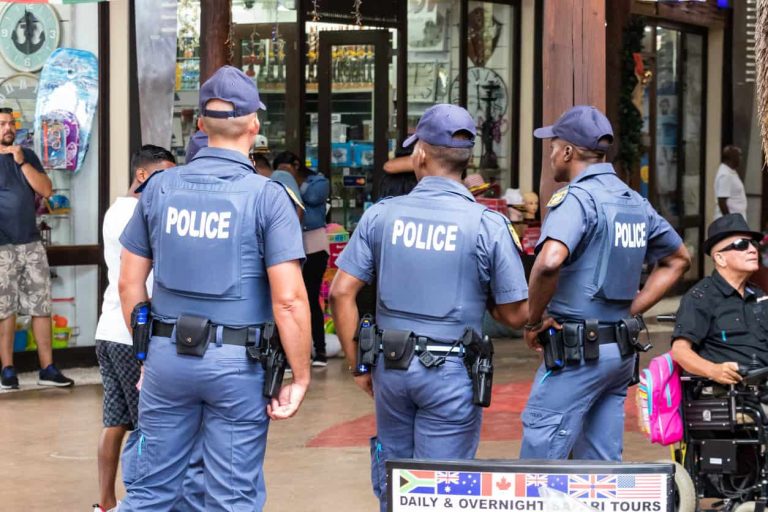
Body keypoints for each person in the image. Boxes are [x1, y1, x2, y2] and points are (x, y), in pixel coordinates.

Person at [118, 65, 311, 510]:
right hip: (237, 366)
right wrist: (300, 377)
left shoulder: (159, 187)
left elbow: (130, 282)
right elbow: (288, 299)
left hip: (166, 357)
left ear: (200, 124)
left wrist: (148, 352)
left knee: (148, 492)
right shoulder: (267, 197)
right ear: (256, 126)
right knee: (231, 497)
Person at [329, 104, 529, 511]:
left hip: (391, 367)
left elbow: (340, 292)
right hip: (452, 373)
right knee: (443, 486)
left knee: (397, 479)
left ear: (419, 154)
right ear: (465, 160)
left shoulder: (381, 215)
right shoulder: (486, 224)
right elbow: (516, 314)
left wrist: (358, 366)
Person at [520, 105, 690, 461]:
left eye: (553, 145)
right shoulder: (633, 201)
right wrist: (631, 308)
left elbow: (549, 261)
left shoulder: (577, 199)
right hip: (617, 352)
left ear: (567, 151)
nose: (550, 152)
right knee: (599, 468)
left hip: (578, 352)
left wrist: (533, 320)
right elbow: (679, 259)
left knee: (540, 456)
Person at [92, 145, 176, 512]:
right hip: (132, 333)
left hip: (108, 329)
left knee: (116, 422)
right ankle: (143, 501)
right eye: (164, 174)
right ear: (142, 175)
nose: (170, 183)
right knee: (149, 426)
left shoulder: (115, 210)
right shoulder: (141, 211)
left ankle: (107, 503)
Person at [0, 107, 74, 389]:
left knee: (41, 306)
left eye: (11, 123)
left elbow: (46, 190)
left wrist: (22, 162)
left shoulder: (26, 156)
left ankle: (48, 368)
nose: (8, 128)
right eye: (2, 124)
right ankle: (8, 370)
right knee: (5, 310)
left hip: (31, 242)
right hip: (2, 245)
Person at [671, 214, 768, 383]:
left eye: (753, 244)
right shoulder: (701, 297)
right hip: (734, 395)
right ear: (720, 258)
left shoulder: (759, 294)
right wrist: (713, 370)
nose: (753, 249)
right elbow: (680, 351)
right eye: (742, 245)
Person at [273, 151, 331, 366]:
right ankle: (293, 353)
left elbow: (312, 198)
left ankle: (320, 351)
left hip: (314, 245)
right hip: (292, 245)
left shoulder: (318, 181)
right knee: (290, 299)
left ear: (296, 165)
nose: (282, 174)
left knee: (311, 298)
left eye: (285, 169)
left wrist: (291, 187)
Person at [714, 145, 747, 221]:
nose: (741, 158)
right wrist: (730, 221)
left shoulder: (730, 171)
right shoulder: (725, 175)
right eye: (739, 155)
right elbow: (722, 201)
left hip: (737, 220)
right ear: (732, 157)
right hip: (730, 223)